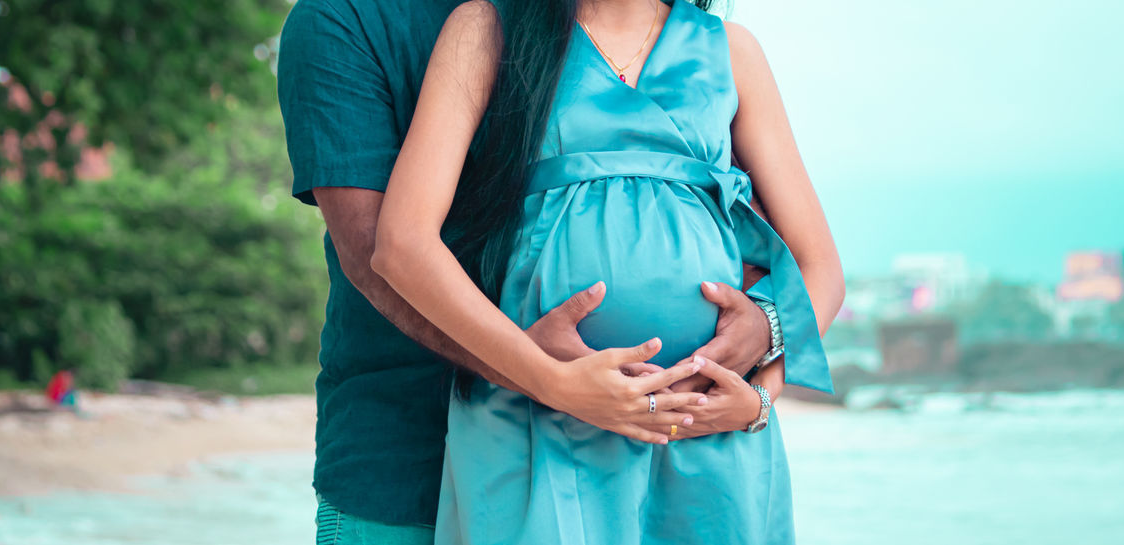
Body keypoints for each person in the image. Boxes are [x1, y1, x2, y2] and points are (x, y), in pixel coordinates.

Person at [276, 0, 790, 543]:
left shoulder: (673, 42)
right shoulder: (355, 18)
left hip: (658, 450)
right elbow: (376, 253)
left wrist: (765, 341)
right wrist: (546, 379)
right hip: (406, 460)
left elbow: (744, 236)